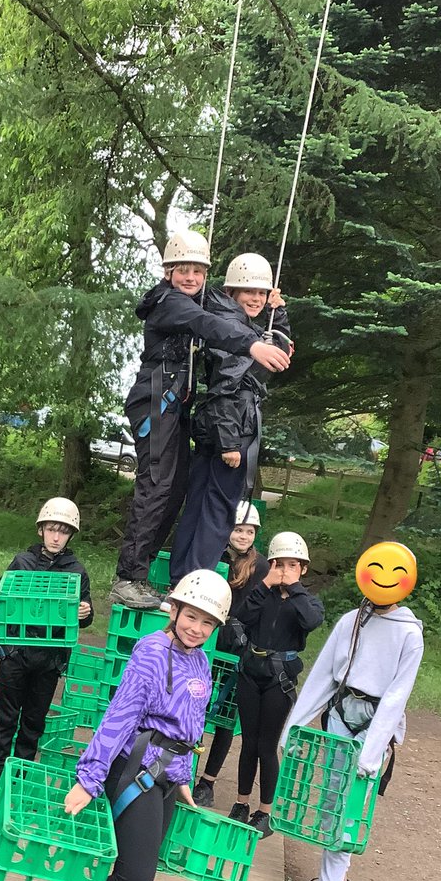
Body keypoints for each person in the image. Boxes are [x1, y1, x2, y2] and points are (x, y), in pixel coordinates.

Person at [37, 569, 231, 881]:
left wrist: (181, 775)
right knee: (135, 878)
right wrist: (90, 777)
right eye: (190, 616)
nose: (196, 627)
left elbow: (188, 725)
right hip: (134, 769)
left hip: (165, 776)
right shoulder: (152, 652)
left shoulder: (201, 661)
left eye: (206, 622)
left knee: (130, 876)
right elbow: (120, 715)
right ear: (175, 609)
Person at [112, 230, 291, 610]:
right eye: (182, 270)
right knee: (158, 487)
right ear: (168, 271)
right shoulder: (169, 303)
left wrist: (276, 312)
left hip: (174, 406)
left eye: (197, 271)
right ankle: (129, 576)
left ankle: (138, 575)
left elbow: (227, 311)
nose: (190, 277)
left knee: (175, 491)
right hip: (155, 403)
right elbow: (210, 325)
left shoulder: (199, 298)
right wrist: (253, 344)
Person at [283, 541, 423, 881]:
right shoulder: (351, 621)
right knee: (330, 799)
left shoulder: (409, 635)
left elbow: (397, 695)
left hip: (372, 726)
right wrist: (293, 727)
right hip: (341, 715)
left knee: (348, 808)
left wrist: (373, 750)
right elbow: (324, 675)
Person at [169, 253, 291, 583]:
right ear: (231, 294)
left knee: (198, 504)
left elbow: (279, 353)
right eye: (247, 292)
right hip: (230, 428)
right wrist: (230, 442)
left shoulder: (233, 327)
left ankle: (180, 577)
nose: (256, 298)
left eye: (261, 293)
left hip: (220, 426)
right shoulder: (237, 332)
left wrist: (278, 314)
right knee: (218, 512)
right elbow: (225, 388)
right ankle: (195, 581)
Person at [0, 498, 93, 806]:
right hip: (16, 653)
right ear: (41, 529)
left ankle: (19, 778)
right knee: (6, 717)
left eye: (63, 531)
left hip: (49, 659)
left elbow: (85, 614)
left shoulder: (76, 571)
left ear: (71, 534)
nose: (56, 537)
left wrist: (86, 612)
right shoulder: (22, 561)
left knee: (34, 720)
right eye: (51, 529)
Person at [229, 531, 324, 836]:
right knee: (248, 743)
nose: (284, 571)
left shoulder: (307, 601)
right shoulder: (261, 594)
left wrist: (293, 589)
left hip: (278, 679)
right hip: (250, 672)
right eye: (278, 564)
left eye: (292, 565)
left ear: (303, 568)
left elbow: (310, 622)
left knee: (267, 747)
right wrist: (267, 585)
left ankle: (265, 811)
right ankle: (242, 802)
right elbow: (241, 618)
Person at [192, 501, 269, 807]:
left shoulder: (261, 567)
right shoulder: (214, 557)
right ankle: (182, 767)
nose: (243, 536)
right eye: (238, 529)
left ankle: (207, 781)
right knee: (194, 706)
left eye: (249, 531)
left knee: (226, 717)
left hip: (238, 651)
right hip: (209, 643)